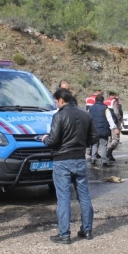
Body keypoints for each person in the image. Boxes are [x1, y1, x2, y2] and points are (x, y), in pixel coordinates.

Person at [41, 89, 98, 244]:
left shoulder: (58, 116)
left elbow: (53, 140)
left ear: (61, 100)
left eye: (55, 101)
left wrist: (44, 139)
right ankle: (87, 230)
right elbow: (94, 137)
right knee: (84, 196)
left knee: (64, 198)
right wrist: (81, 146)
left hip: (62, 160)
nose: (55, 104)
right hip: (80, 158)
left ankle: (64, 234)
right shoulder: (86, 114)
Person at [89, 95, 119, 167]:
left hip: (93, 130)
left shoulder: (90, 108)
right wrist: (114, 128)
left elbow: (88, 118)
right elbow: (110, 119)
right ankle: (103, 161)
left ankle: (93, 159)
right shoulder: (105, 108)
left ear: (95, 100)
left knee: (94, 144)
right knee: (104, 145)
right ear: (102, 101)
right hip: (103, 130)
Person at [104, 90, 123, 162]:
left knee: (109, 140)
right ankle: (108, 153)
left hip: (106, 123)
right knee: (116, 140)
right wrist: (121, 119)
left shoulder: (105, 101)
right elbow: (116, 112)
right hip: (114, 123)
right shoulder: (113, 102)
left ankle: (109, 155)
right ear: (114, 94)